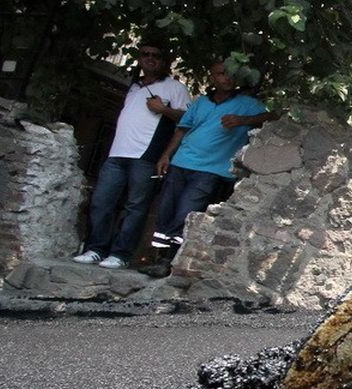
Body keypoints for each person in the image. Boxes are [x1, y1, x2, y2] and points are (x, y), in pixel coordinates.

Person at [72, 40, 190, 269]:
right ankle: (96, 249)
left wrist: (163, 110)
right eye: (145, 54)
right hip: (117, 154)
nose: (150, 58)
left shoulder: (175, 88)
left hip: (146, 157)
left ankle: (121, 254)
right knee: (101, 202)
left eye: (155, 54)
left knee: (135, 207)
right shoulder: (134, 86)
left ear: (164, 61)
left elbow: (187, 121)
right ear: (140, 58)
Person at [150, 60, 277, 252]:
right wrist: (166, 156)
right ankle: (158, 257)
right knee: (166, 211)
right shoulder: (201, 102)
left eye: (230, 74)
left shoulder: (248, 104)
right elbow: (182, 130)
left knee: (187, 212)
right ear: (212, 77)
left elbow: (273, 117)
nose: (227, 78)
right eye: (221, 73)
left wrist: (244, 120)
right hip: (181, 162)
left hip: (211, 170)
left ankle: (169, 260)